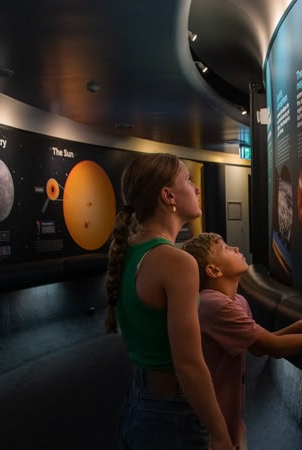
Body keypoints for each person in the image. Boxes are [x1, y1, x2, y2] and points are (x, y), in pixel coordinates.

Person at [181, 232, 302, 449]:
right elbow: (276, 348)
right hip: (208, 427)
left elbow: (260, 347)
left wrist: (301, 326)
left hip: (231, 421)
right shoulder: (216, 305)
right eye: (226, 248)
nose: (236, 248)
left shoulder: (237, 301)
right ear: (214, 270)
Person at [105, 153, 233, 450]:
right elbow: (188, 363)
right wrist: (219, 433)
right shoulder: (176, 262)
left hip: (139, 403)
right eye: (188, 180)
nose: (196, 188)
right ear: (168, 195)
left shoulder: (130, 251)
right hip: (171, 416)